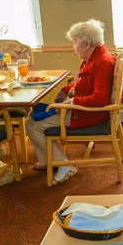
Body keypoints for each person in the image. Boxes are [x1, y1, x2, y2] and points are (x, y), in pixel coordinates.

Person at [26, 19, 115, 185]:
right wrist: (66, 90)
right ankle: (47, 161)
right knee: (32, 117)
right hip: (81, 109)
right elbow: (84, 84)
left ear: (87, 43)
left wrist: (72, 101)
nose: (73, 47)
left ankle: (65, 165)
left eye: (75, 43)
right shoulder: (94, 57)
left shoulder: (102, 62)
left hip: (87, 114)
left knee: (33, 126)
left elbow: (100, 98)